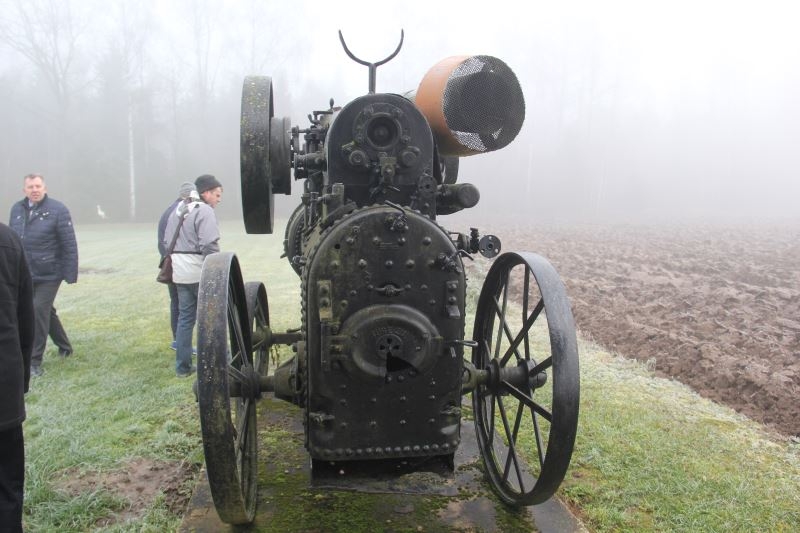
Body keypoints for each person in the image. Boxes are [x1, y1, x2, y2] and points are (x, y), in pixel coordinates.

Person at [8, 174, 78, 377]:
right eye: (30, 187)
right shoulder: (17, 210)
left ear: (45, 188)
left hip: (50, 272)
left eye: (38, 186)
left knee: (36, 310)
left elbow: (69, 243)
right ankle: (65, 346)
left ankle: (33, 362)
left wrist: (70, 272)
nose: (34, 189)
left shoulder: (58, 210)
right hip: (25, 272)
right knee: (46, 311)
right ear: (24, 190)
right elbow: (13, 241)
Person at [162, 174, 222, 377]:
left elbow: (165, 242)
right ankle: (222, 361)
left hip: (179, 273)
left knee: (185, 320)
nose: (218, 199)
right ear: (205, 193)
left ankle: (183, 368)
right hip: (198, 272)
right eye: (216, 194)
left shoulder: (177, 210)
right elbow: (208, 244)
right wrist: (216, 268)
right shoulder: (204, 211)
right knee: (213, 318)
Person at [0, 222, 34, 532]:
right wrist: (20, 379)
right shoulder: (8, 239)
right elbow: (26, 316)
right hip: (4, 383)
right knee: (7, 488)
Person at [158, 182, 198, 351]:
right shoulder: (180, 211)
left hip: (172, 263)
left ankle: (179, 342)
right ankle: (180, 343)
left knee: (177, 304)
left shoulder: (168, 210)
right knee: (183, 309)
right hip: (179, 265)